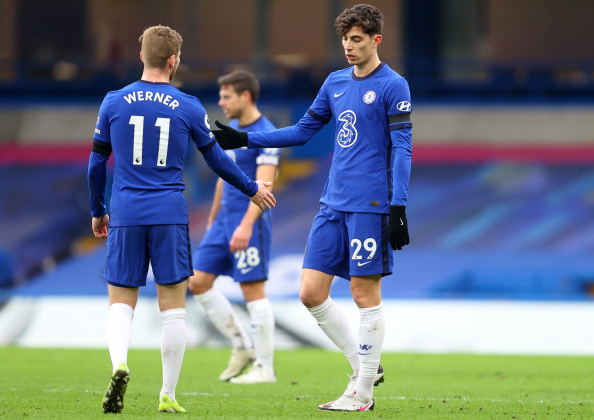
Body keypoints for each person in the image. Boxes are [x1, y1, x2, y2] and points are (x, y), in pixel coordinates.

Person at [212, 4, 411, 412]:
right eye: (345, 39)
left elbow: (403, 148)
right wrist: (246, 140)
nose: (349, 47)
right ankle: (364, 367)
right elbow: (303, 130)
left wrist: (398, 206)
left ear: (376, 40)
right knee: (310, 292)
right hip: (332, 202)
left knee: (362, 291)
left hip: (370, 205)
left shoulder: (394, 86)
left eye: (357, 39)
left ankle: (363, 394)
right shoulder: (335, 82)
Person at [88, 25, 276, 415]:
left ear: (142, 56)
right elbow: (218, 160)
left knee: (121, 302)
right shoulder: (188, 106)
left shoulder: (113, 101)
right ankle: (167, 394)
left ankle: (120, 364)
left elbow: (95, 164)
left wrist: (97, 210)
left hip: (125, 211)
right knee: (173, 307)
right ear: (174, 61)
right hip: (169, 214)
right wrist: (251, 187)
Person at [188, 70, 280, 384]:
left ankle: (265, 368)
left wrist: (245, 225)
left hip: (248, 221)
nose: (221, 102)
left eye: (227, 96)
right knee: (198, 283)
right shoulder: (233, 131)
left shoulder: (265, 133)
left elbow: (265, 186)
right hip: (224, 220)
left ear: (246, 96)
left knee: (252, 289)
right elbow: (222, 177)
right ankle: (242, 345)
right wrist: (213, 217)